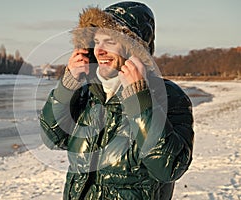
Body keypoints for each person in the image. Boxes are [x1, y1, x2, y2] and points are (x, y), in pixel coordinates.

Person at [39, 1, 194, 199]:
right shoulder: (88, 92)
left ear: (134, 48)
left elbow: (169, 168)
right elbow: (53, 138)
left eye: (110, 42)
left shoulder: (169, 96)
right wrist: (68, 86)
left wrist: (139, 99)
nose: (99, 50)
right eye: (96, 41)